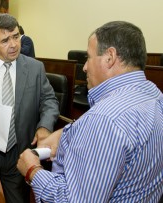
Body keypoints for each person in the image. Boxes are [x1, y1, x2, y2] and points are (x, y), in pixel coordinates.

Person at [17, 21, 163, 203]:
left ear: (110, 57)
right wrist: (68, 132)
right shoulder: (154, 95)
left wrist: (33, 171)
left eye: (89, 57)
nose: (84, 67)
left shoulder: (103, 120)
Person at [0, 13, 59, 203]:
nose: (13, 44)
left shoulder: (35, 68)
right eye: (5, 40)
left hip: (20, 152)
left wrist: (45, 126)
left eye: (16, 36)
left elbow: (49, 100)